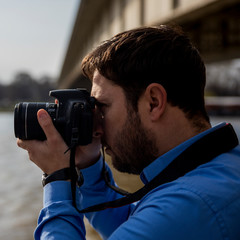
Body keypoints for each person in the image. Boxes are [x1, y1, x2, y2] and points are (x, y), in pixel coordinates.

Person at [17, 25, 240, 239]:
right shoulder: (219, 167)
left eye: (102, 107)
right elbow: (132, 224)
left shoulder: (186, 205)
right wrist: (89, 165)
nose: (97, 127)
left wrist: (57, 178)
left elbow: (160, 224)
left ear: (153, 102)